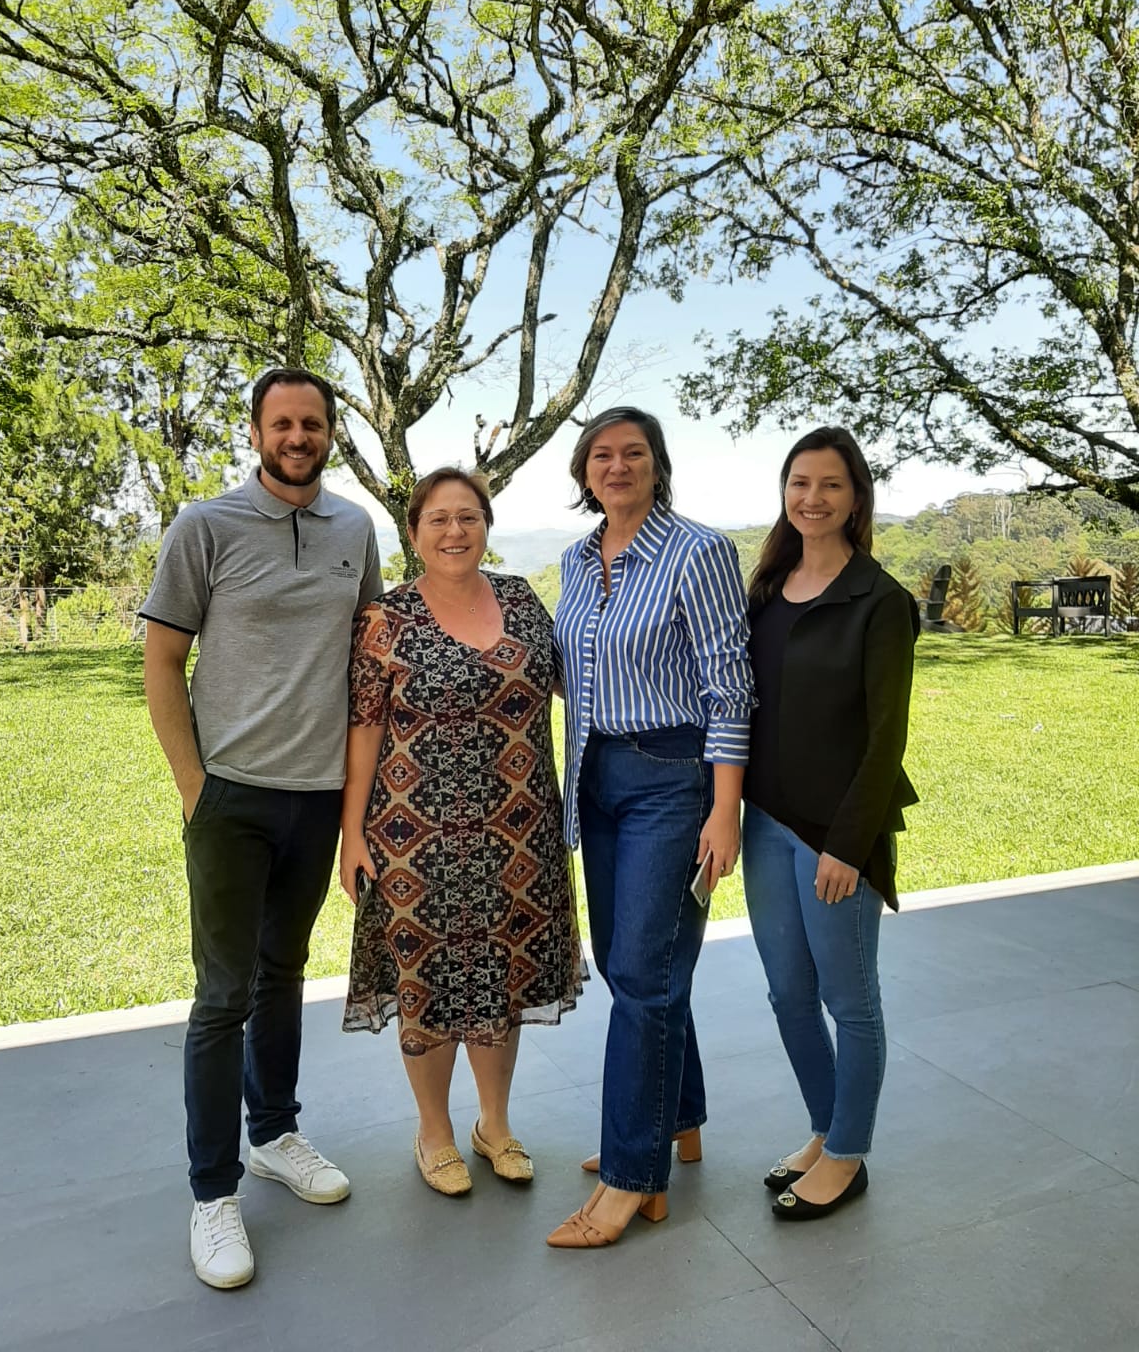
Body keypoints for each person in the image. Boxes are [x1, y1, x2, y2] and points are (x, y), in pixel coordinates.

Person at [141, 368, 382, 1289]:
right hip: (231, 798)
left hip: (318, 796)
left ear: (329, 432)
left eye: (312, 422)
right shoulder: (204, 526)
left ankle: (276, 1132)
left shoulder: (354, 529)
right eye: (281, 423)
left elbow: (368, 656)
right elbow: (163, 659)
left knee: (284, 973)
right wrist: (193, 783)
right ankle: (213, 1193)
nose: (297, 435)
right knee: (222, 994)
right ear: (256, 433)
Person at [338, 467, 584, 1196]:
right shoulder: (386, 619)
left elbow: (577, 682)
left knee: (501, 977)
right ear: (413, 533)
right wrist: (351, 835)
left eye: (468, 517)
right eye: (438, 519)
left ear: (487, 525)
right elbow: (363, 732)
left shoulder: (520, 600)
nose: (455, 531)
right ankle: (435, 1131)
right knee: (428, 982)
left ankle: (495, 1124)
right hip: (415, 836)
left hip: (519, 831)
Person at [546, 407, 754, 1248]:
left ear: (659, 465)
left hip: (674, 779)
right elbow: (577, 673)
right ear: (584, 472)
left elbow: (729, 687)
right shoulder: (574, 557)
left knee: (641, 973)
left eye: (634, 453)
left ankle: (634, 1173)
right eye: (603, 455)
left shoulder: (699, 552)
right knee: (640, 964)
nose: (618, 466)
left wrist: (725, 807)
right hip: (596, 776)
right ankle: (679, 1115)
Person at [741, 425, 919, 1222]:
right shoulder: (768, 590)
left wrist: (848, 845)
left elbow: (887, 739)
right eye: (799, 483)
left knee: (850, 1000)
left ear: (856, 499)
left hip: (835, 837)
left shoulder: (879, 602)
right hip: (764, 824)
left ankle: (849, 1153)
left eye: (831, 485)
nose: (812, 498)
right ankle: (824, 1129)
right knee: (787, 993)